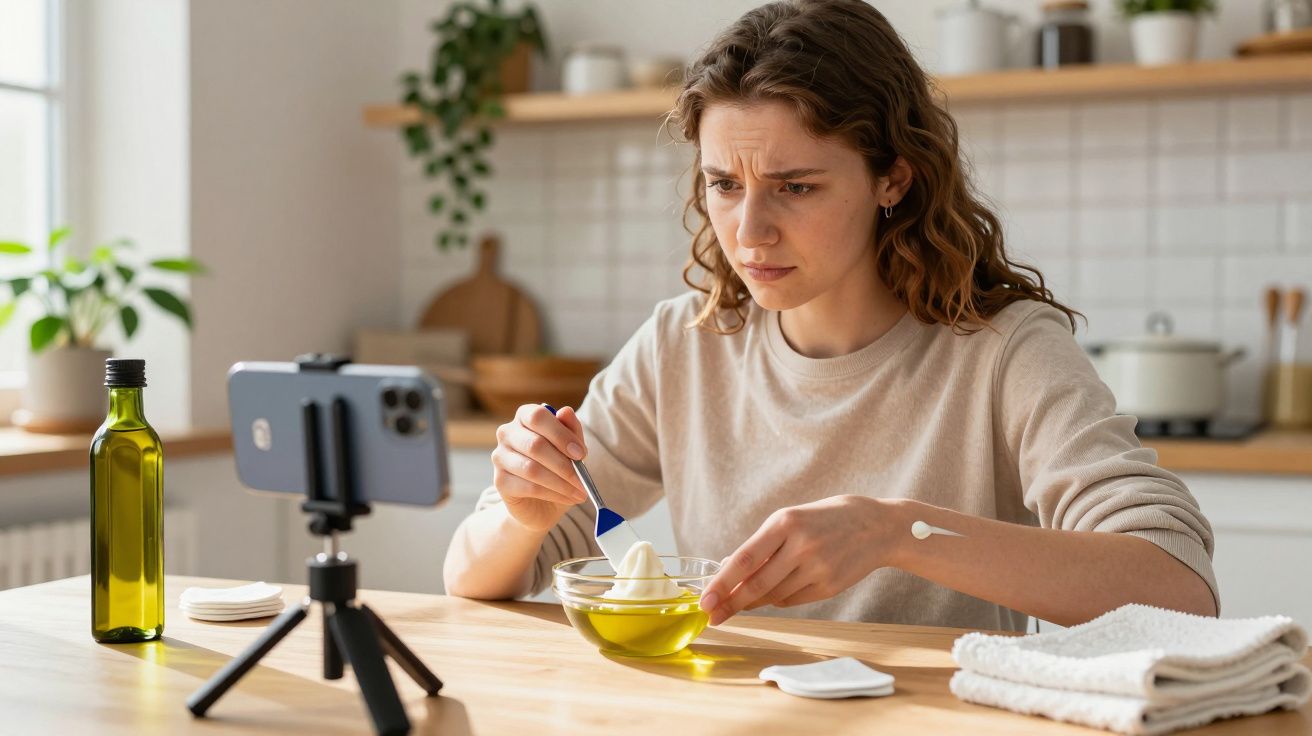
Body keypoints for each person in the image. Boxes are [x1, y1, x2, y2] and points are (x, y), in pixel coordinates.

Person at [443, 0, 1217, 632]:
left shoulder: (1003, 351)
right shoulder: (685, 345)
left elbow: (1179, 590)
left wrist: (895, 534)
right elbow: (470, 579)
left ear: (893, 179)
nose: (749, 231)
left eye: (796, 187)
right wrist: (523, 516)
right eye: (722, 184)